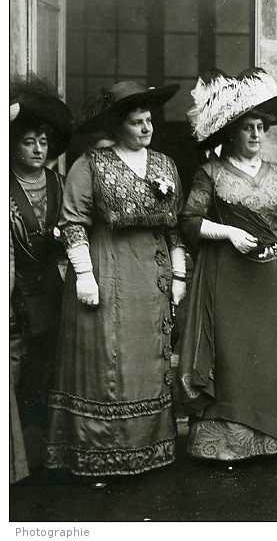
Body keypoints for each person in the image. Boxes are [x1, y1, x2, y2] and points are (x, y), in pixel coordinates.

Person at [177, 68, 277, 461]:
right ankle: (227, 447)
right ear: (231, 133)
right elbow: (188, 221)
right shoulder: (211, 173)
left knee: (274, 355)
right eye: (248, 127)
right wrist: (228, 234)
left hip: (273, 280)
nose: (257, 134)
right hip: (228, 280)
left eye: (261, 127)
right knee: (232, 359)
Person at [45, 80, 185, 485]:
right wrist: (85, 274)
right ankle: (103, 454)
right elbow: (72, 222)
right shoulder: (91, 164)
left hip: (151, 279)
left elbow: (173, 224)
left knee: (146, 362)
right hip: (108, 272)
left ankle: (150, 449)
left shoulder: (165, 164)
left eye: (149, 121)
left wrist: (178, 271)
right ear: (117, 126)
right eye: (136, 122)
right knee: (110, 362)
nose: (146, 129)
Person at [9, 75, 73, 482]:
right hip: (14, 294)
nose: (37, 149)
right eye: (28, 140)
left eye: (43, 142)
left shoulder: (59, 184)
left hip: (52, 293)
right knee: (12, 371)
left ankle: (48, 455)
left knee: (51, 371)